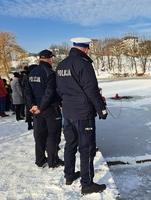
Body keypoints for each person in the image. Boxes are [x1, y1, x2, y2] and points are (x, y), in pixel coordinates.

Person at [56, 37, 108, 195]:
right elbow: (91, 89)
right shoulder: (83, 64)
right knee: (87, 148)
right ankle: (87, 184)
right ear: (85, 48)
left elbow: (58, 89)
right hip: (83, 112)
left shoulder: (61, 64)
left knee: (70, 144)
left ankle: (69, 175)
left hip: (68, 111)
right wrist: (101, 109)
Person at [25, 49, 63, 168]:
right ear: (50, 59)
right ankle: (53, 161)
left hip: (36, 109)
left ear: (39, 59)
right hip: (50, 109)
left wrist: (32, 106)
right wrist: (41, 107)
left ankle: (40, 159)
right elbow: (50, 92)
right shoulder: (50, 73)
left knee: (39, 135)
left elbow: (27, 92)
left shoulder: (31, 73)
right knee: (53, 135)